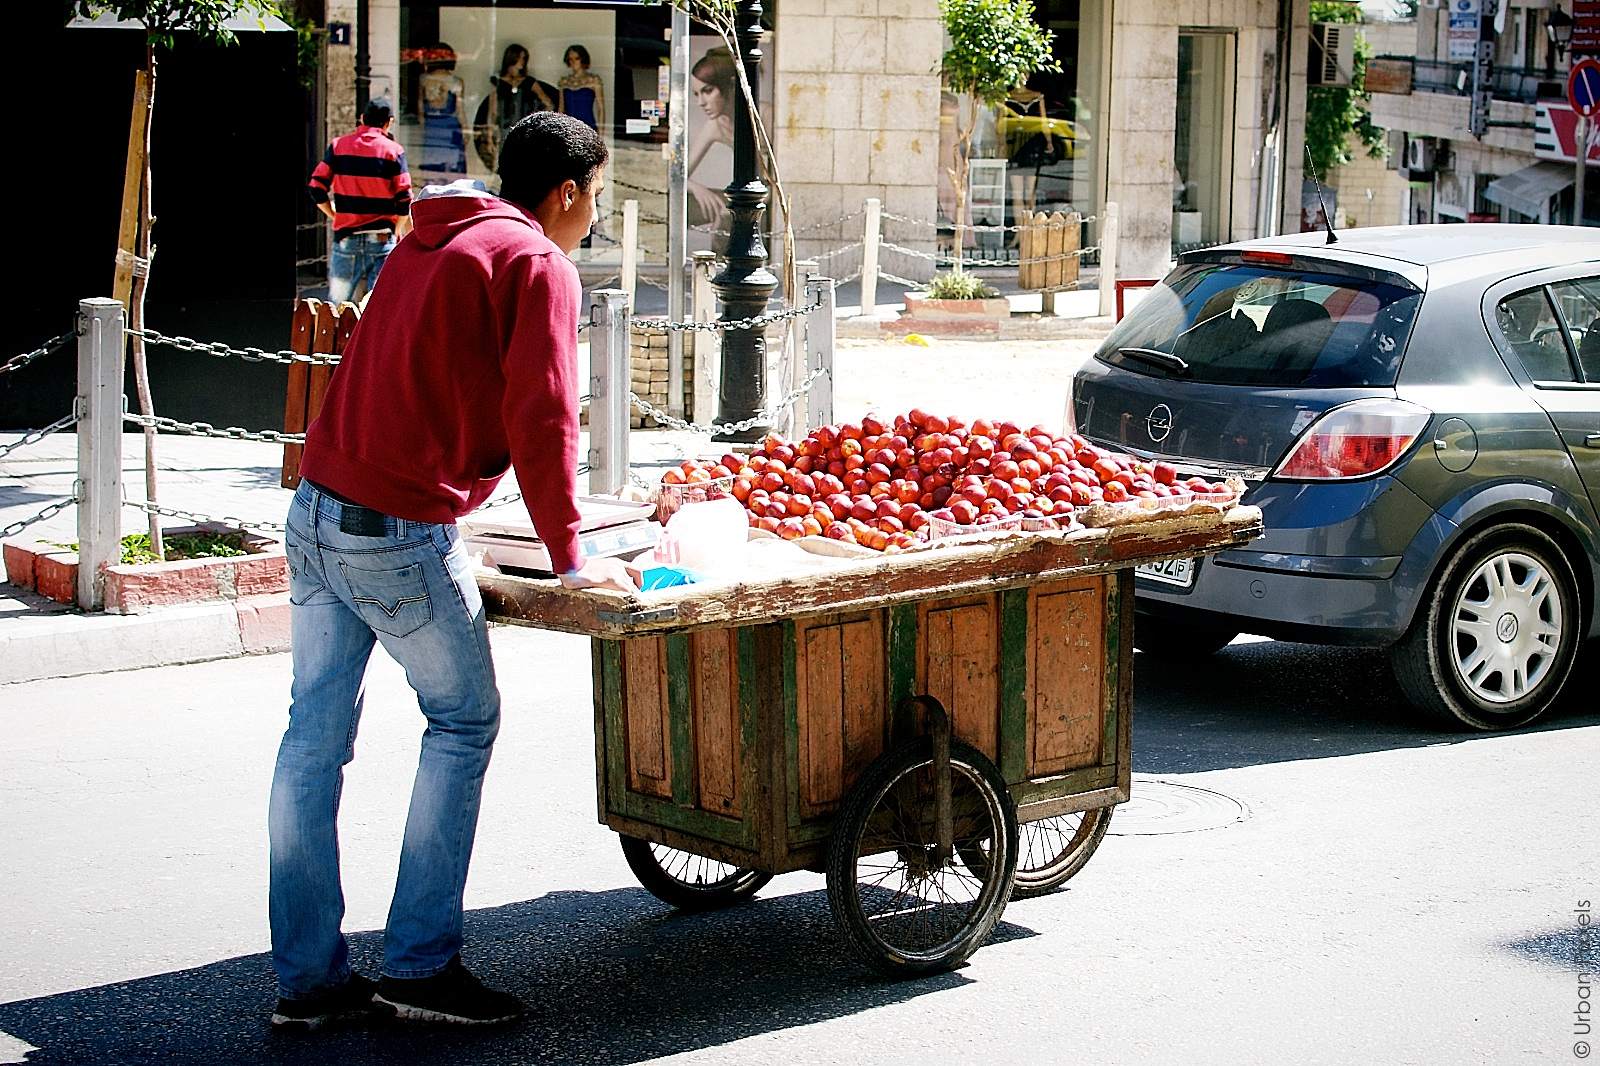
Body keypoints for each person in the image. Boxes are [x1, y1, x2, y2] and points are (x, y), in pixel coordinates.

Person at [268, 111, 637, 1031]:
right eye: (596, 199)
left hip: (316, 506)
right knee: (466, 719)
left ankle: (308, 982)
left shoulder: (428, 238)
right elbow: (545, 413)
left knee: (313, 743)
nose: (592, 218)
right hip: (393, 527)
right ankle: (421, 965)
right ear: (566, 193)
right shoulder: (535, 262)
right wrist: (570, 557)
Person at [308, 98, 412, 305]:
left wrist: (335, 216)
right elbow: (405, 199)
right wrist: (397, 229)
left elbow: (316, 188)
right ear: (388, 122)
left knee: (336, 310)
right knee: (379, 309)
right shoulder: (394, 151)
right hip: (382, 240)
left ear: (362, 118)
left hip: (347, 239)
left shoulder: (338, 147)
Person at [472, 44, 557, 171]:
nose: (522, 62)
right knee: (506, 160)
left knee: (526, 160)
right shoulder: (499, 82)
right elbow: (492, 112)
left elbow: (548, 103)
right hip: (505, 128)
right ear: (511, 58)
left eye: (524, 58)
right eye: (519, 58)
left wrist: (537, 119)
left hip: (525, 128)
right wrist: (489, 137)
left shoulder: (528, 82)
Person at [418, 42, 468, 179]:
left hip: (432, 126)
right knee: (452, 169)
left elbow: (420, 109)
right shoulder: (456, 81)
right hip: (451, 125)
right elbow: (460, 110)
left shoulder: (423, 80)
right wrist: (466, 130)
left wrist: (422, 129)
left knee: (432, 168)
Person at [558, 44, 605, 133]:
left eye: (577, 58)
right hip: (568, 129)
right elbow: (561, 109)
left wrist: (601, 135)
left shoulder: (593, 81)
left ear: (582, 59)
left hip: (588, 127)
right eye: (570, 59)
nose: (573, 62)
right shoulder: (564, 82)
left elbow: (601, 108)